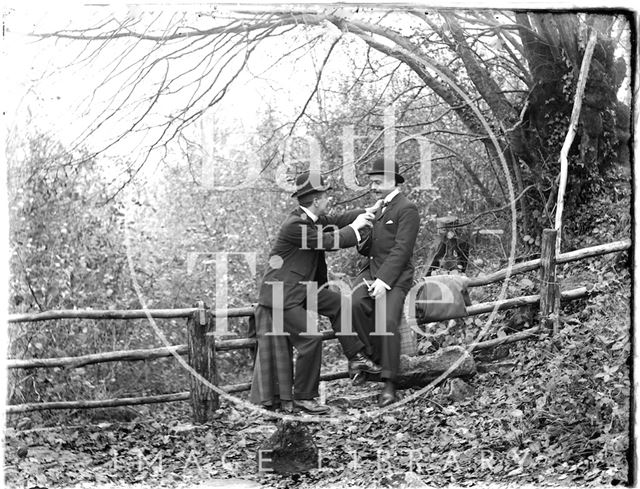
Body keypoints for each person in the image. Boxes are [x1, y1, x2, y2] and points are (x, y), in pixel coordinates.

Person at [250, 170, 382, 415]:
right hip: (283, 294)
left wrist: (368, 212)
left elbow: (340, 220)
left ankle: (356, 358)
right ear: (317, 200)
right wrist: (355, 228)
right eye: (325, 196)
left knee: (340, 304)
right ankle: (304, 398)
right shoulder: (295, 225)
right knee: (311, 339)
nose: (327, 200)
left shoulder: (311, 219)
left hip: (304, 288)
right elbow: (329, 241)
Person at [351, 157, 420, 407]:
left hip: (396, 275)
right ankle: (373, 359)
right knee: (355, 304)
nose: (374, 186)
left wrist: (384, 281)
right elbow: (368, 250)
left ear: (393, 181)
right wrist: (361, 236)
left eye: (378, 182)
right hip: (370, 271)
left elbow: (402, 250)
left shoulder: (407, 208)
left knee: (388, 319)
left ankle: (389, 383)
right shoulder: (378, 208)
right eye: (372, 182)